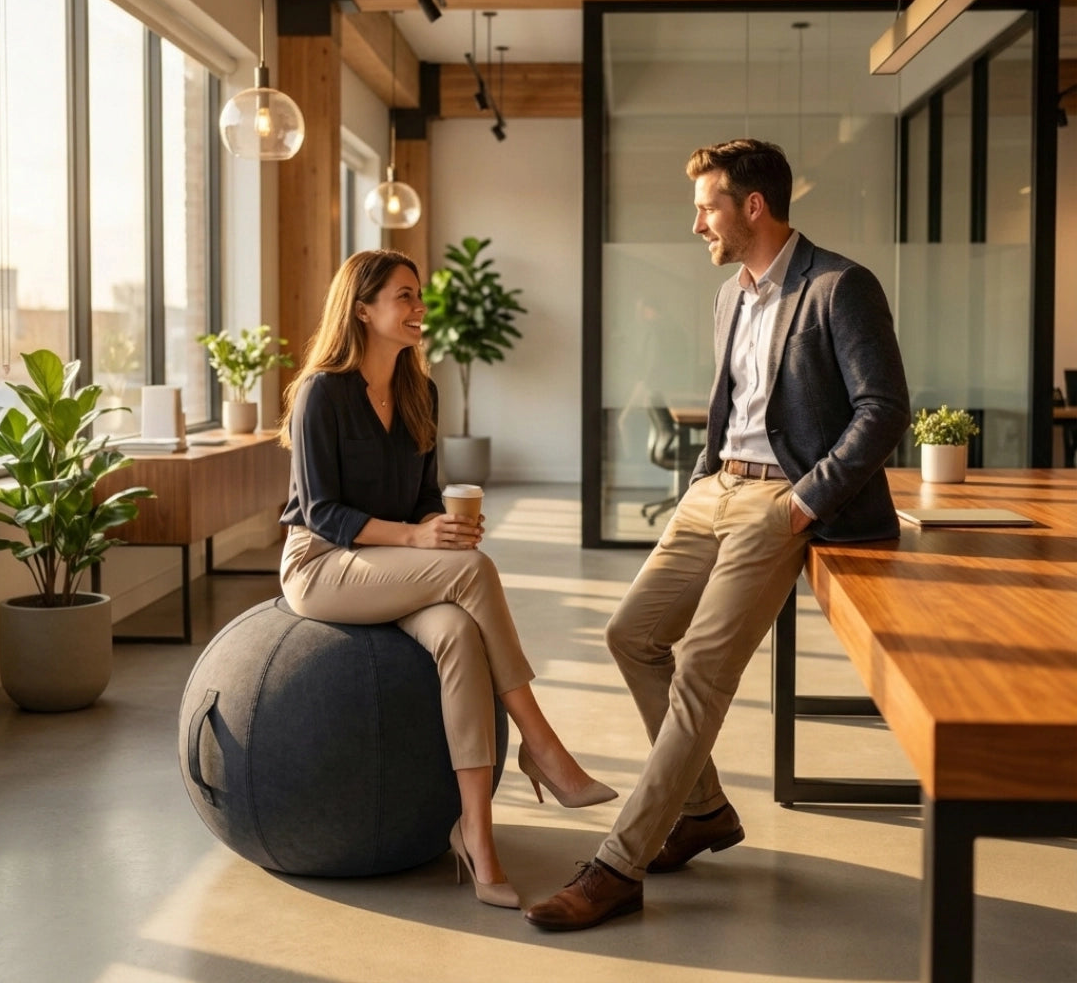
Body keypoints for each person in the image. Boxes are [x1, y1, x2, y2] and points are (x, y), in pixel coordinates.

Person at [525, 139, 910, 931]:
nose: (696, 221)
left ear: (753, 207)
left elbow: (884, 410)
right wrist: (704, 479)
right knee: (631, 636)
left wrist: (805, 504)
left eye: (708, 206)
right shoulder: (730, 296)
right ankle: (701, 812)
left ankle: (619, 862)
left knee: (701, 664)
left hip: (783, 503)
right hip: (715, 490)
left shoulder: (839, 286)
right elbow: (733, 401)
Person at [278, 249, 616, 911]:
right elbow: (321, 511)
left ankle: (477, 836)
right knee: (473, 572)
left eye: (418, 296)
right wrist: (417, 540)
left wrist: (441, 528)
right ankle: (541, 744)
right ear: (362, 308)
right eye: (404, 296)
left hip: (387, 566)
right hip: (321, 564)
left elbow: (422, 499)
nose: (418, 309)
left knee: (459, 632)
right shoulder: (323, 392)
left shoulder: (419, 392)